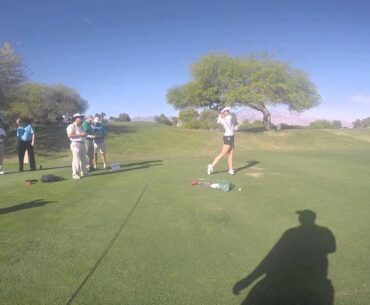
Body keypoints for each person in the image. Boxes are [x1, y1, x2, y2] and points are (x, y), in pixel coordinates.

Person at [207, 106, 237, 175]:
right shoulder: (228, 117)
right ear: (223, 112)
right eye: (226, 111)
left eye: (227, 111)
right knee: (223, 153)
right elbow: (228, 119)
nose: (228, 111)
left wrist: (221, 115)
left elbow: (224, 117)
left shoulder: (224, 117)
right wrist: (222, 115)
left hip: (231, 136)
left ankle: (231, 169)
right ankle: (211, 166)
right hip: (228, 137)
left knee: (231, 153)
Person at [66, 113, 89, 179]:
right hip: (75, 144)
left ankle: (84, 172)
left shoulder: (81, 126)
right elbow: (70, 135)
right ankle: (75, 174)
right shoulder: (71, 126)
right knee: (76, 159)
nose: (81, 119)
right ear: (75, 118)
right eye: (79, 117)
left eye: (81, 117)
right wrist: (81, 135)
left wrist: (85, 134)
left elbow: (84, 134)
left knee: (84, 159)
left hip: (82, 143)